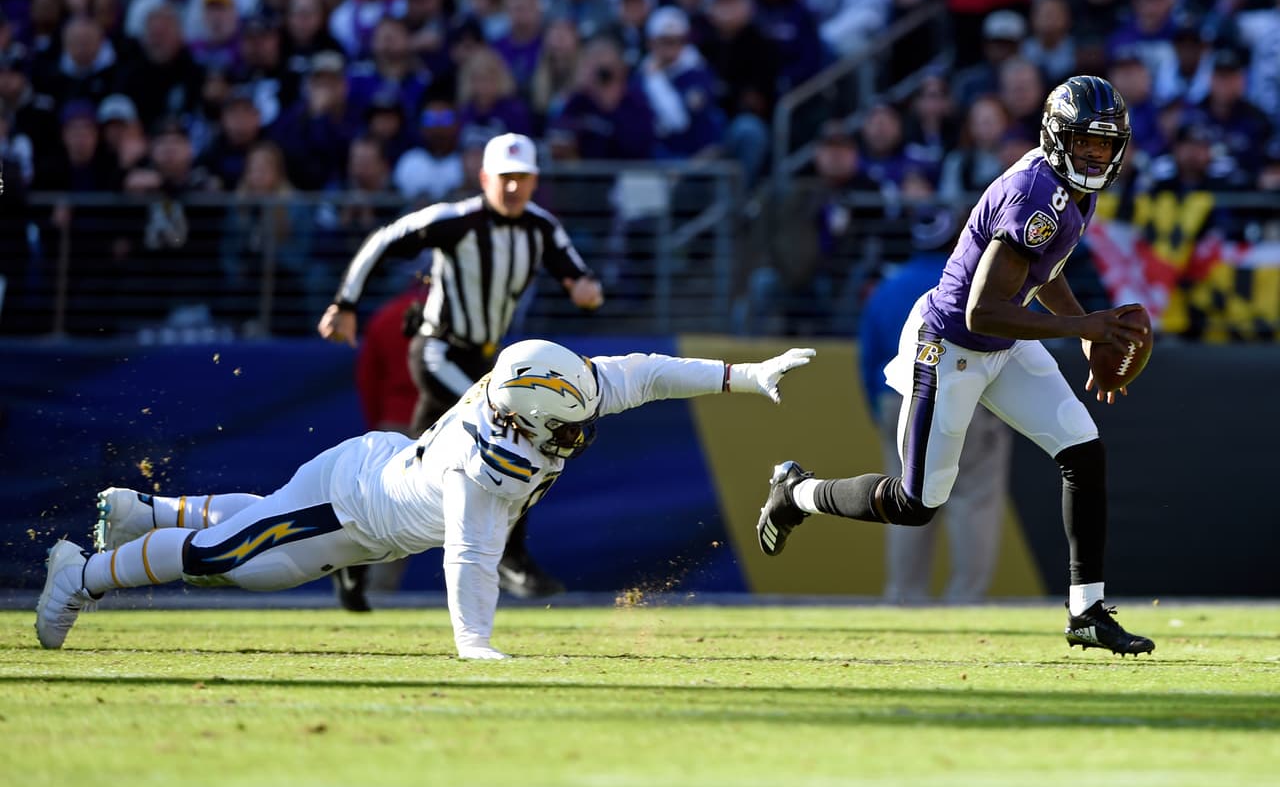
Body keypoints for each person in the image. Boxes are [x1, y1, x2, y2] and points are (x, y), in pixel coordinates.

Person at [35, 340, 817, 657]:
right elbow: (471, 558)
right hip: (357, 501)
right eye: (568, 430)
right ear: (525, 418)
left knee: (264, 528)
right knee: (232, 562)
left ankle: (154, 511)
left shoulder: (558, 386)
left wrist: (747, 377)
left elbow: (645, 374)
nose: (581, 437)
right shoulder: (487, 463)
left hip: (380, 498)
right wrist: (474, 647)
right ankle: (80, 573)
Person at [755, 76, 1156, 656]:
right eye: (1085, 143)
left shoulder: (1069, 186)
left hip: (1002, 339)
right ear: (1056, 137)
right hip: (951, 345)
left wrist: (1084, 326)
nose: (1096, 155)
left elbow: (1043, 270)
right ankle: (795, 494)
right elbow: (983, 308)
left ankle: (1086, 612)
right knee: (914, 504)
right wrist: (1080, 329)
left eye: (1105, 144)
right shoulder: (1035, 194)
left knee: (1082, 448)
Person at [316, 132, 605, 610]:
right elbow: (386, 239)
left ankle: (351, 553)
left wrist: (587, 291)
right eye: (505, 179)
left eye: (522, 179)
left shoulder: (541, 227)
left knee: (408, 479)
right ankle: (511, 557)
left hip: (484, 358)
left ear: (534, 180)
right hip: (440, 353)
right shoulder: (458, 220)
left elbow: (577, 276)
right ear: (485, 178)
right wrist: (345, 303)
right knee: (518, 432)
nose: (513, 188)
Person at [859, 207, 1013, 604]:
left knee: (906, 499)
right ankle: (965, 601)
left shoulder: (888, 288)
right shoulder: (971, 283)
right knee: (972, 500)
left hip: (899, 398)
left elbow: (868, 358)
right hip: (966, 397)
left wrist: (881, 410)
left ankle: (904, 598)